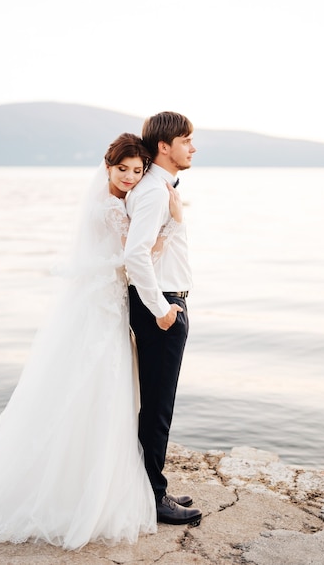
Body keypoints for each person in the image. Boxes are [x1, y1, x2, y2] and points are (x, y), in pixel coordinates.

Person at [0, 133, 184, 550]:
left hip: (103, 303)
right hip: (103, 309)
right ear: (107, 166)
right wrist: (174, 220)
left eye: (137, 171)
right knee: (101, 390)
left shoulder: (110, 201)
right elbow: (138, 253)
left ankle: (110, 482)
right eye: (123, 169)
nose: (130, 177)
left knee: (94, 390)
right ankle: (89, 491)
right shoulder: (112, 207)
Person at [125, 112, 202, 526]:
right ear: (164, 146)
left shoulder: (159, 189)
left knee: (155, 403)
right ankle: (152, 498)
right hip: (161, 306)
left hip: (166, 301)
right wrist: (163, 310)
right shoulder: (154, 191)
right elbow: (135, 254)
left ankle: (150, 485)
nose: (192, 147)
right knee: (158, 406)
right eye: (186, 140)